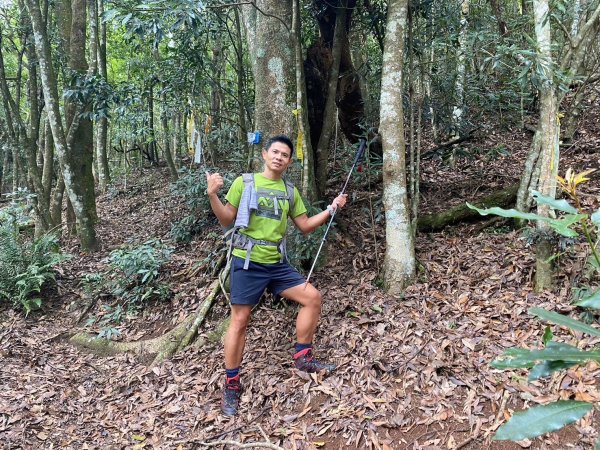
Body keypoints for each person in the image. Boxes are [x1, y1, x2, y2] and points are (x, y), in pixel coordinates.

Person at [205, 134, 347, 416]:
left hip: (276, 263)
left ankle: (302, 357)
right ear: (264, 154)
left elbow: (305, 225)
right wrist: (212, 194)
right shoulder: (245, 183)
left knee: (312, 298)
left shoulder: (289, 191)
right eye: (275, 152)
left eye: (285, 154)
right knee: (240, 320)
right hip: (247, 262)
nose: (279, 157)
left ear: (289, 161)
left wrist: (331, 209)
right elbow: (226, 219)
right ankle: (232, 383)